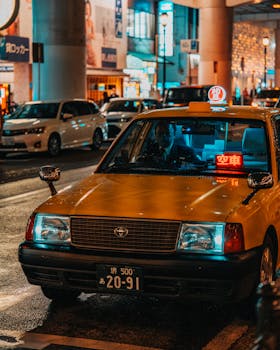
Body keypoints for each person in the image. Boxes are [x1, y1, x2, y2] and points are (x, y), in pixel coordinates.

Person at [85, 0, 96, 66]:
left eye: (88, 9)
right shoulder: (82, 21)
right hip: (83, 49)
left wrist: (90, 36)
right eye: (86, 9)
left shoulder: (91, 22)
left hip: (90, 49)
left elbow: (93, 36)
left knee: (95, 66)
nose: (87, 11)